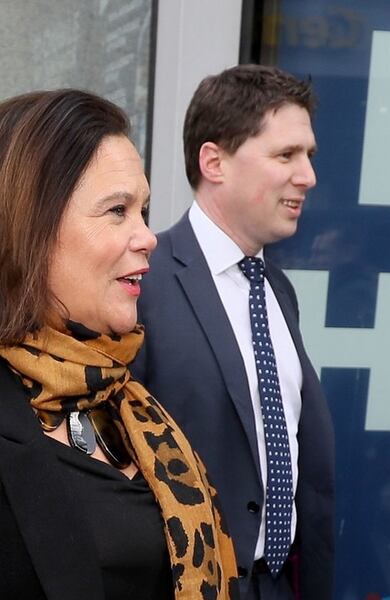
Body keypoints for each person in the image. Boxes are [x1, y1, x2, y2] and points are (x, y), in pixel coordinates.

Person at [0, 89, 238, 599]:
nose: (147, 236)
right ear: (31, 227)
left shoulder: (123, 398)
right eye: (117, 211)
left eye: (144, 210)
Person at [132, 65, 335, 600]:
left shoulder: (277, 289)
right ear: (214, 161)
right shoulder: (142, 283)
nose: (307, 176)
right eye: (286, 155)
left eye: (309, 156)